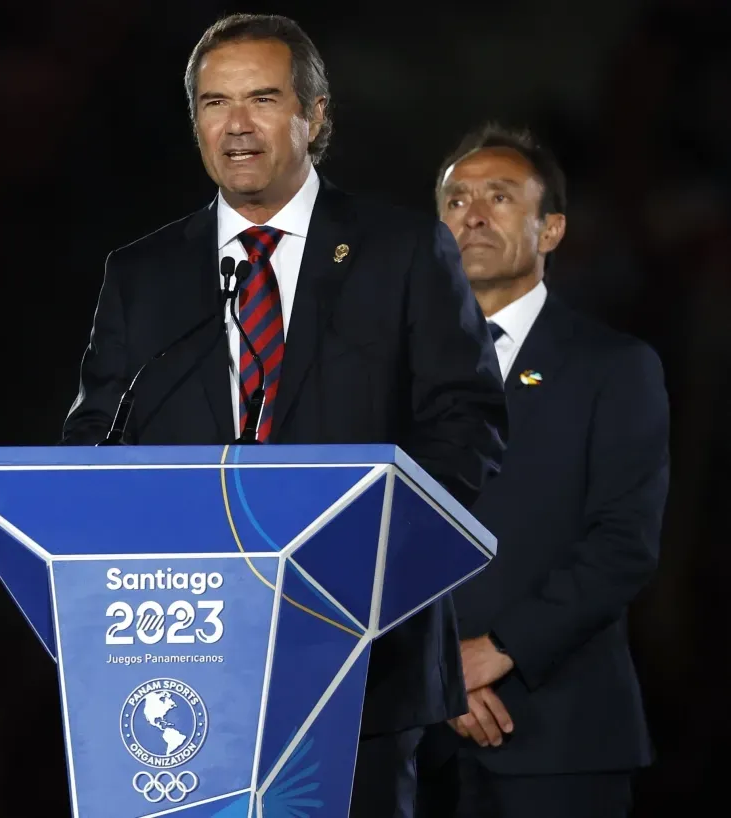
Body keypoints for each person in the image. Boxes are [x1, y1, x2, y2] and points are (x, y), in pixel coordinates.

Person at [60, 13, 507, 818]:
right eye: (213, 102)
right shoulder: (142, 274)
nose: (235, 124)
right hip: (185, 658)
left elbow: (465, 428)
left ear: (316, 115)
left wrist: (368, 558)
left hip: (361, 652)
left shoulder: (402, 252)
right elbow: (95, 444)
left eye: (262, 98)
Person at [422, 123, 670, 817]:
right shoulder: (388, 371)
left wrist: (495, 652)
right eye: (456, 200)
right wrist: (435, 670)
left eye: (499, 198)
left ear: (551, 230)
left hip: (559, 740)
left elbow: (624, 545)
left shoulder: (615, 369)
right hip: (414, 740)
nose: (472, 214)